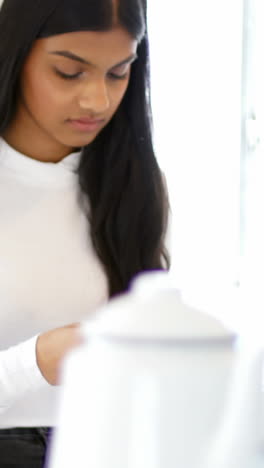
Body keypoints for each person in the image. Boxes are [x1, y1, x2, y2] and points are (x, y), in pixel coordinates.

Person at [0, 0, 170, 466]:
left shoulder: (134, 188)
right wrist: (35, 361)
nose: (98, 100)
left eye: (118, 73)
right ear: (14, 58)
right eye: (69, 73)